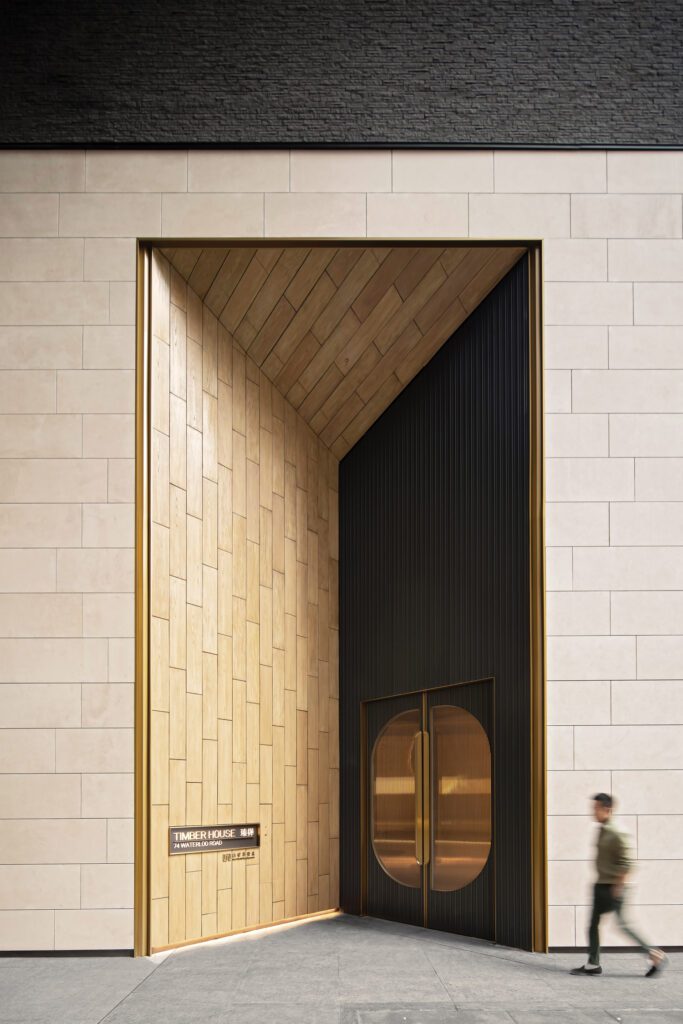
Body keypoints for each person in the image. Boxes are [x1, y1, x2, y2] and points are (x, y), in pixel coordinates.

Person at [570, 792, 667, 977]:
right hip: (601, 884)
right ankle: (593, 964)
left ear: (608, 809)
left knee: (622, 925)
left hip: (613, 886)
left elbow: (628, 862)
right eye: (593, 808)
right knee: (593, 924)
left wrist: (619, 885)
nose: (593, 812)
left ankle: (655, 954)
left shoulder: (617, 832)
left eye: (596, 808)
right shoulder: (602, 829)